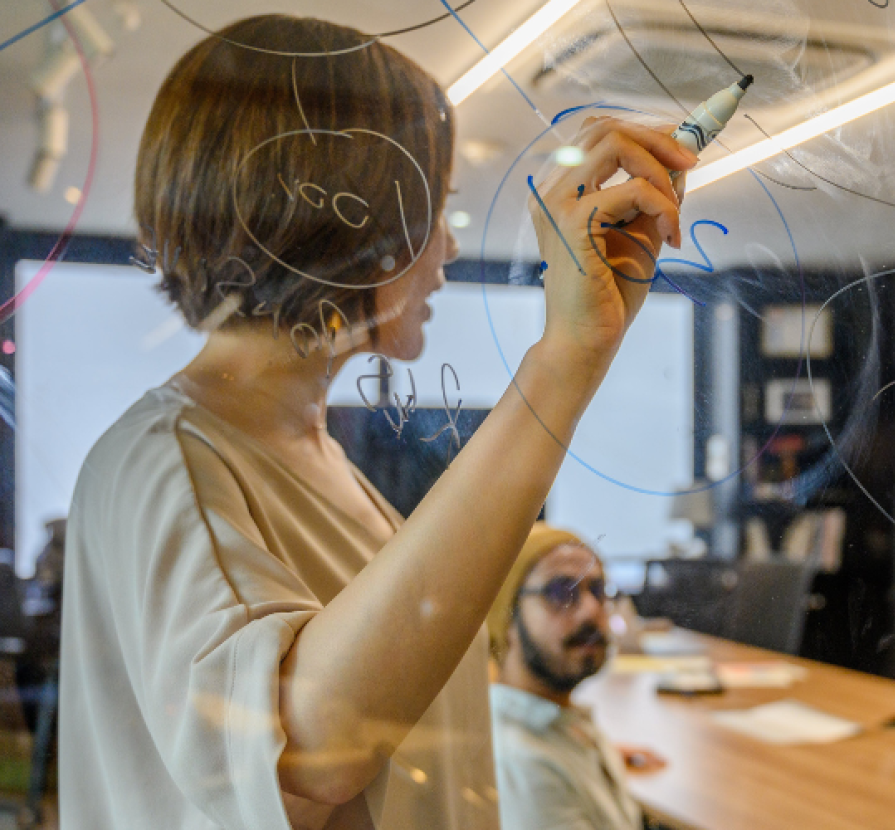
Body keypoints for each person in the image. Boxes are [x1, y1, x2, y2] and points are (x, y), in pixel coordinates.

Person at [58, 14, 694, 830]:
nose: (447, 249)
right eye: (433, 210)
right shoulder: (168, 460)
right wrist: (565, 357)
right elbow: (312, 745)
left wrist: (575, 350)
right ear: (345, 221)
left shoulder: (311, 460)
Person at [488, 524, 663, 830]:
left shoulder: (555, 721)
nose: (591, 611)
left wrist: (597, 754)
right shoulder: (523, 766)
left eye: (597, 590)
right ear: (507, 618)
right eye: (561, 592)